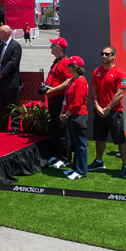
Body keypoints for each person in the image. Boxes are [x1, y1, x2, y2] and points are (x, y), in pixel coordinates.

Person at [89, 45, 126, 178]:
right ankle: (99, 161)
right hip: (100, 111)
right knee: (99, 138)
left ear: (114, 56)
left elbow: (119, 94)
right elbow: (94, 89)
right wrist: (97, 105)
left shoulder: (119, 73)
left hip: (114, 112)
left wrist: (107, 108)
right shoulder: (97, 71)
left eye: (107, 54)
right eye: (102, 54)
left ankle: (125, 165)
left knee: (119, 139)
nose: (104, 56)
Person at [43, 37, 73, 169]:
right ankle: (58, 154)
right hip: (53, 98)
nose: (51, 46)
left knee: (62, 128)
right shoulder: (57, 61)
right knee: (56, 127)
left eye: (53, 45)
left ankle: (65, 157)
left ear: (59, 48)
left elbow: (69, 80)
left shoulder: (65, 61)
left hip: (60, 99)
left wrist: (54, 89)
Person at [60, 56, 89, 180]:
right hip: (72, 115)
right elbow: (67, 99)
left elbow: (77, 103)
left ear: (75, 68)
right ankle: (75, 167)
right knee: (75, 143)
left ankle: (81, 170)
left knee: (80, 143)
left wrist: (66, 115)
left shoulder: (80, 81)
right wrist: (64, 113)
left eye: (70, 65)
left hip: (78, 115)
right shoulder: (73, 80)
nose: (68, 67)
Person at [0, 25, 22, 134]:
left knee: (13, 104)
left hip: (10, 80)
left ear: (6, 33)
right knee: (2, 104)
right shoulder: (1, 45)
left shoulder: (15, 46)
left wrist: (2, 74)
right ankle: (2, 124)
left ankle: (16, 126)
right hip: (1, 80)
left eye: (0, 33)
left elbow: (13, 63)